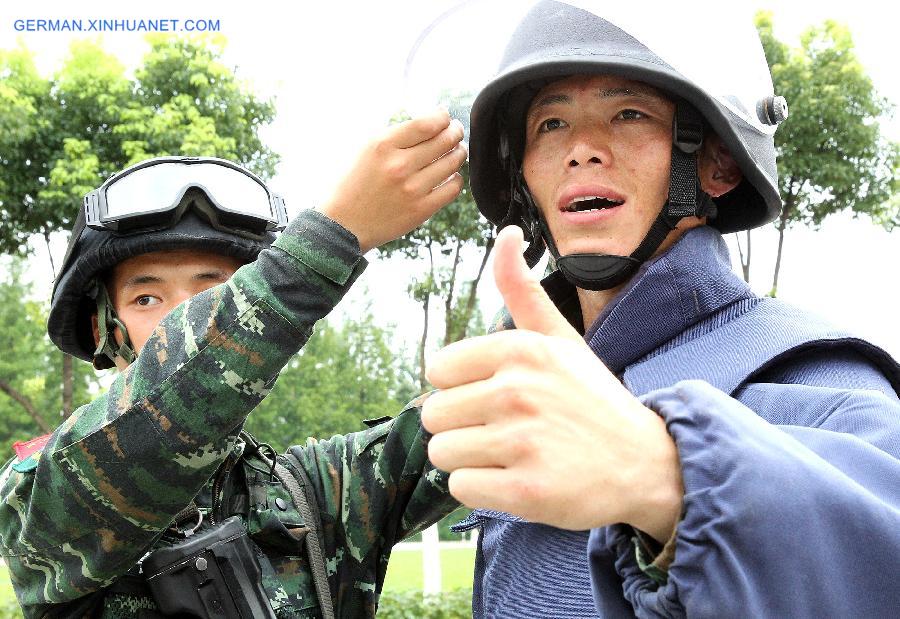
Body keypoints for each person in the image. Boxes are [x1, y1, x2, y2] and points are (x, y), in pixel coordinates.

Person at [420, 2, 900, 617]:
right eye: (550, 125)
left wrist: (672, 480)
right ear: (522, 176)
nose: (582, 149)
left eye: (628, 114)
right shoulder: (517, 386)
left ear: (719, 162)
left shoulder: (812, 373)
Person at [0, 110, 466, 618]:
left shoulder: (322, 494)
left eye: (213, 292)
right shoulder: (41, 495)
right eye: (147, 299)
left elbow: (500, 399)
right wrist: (331, 239)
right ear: (103, 331)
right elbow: (165, 400)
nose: (185, 319)